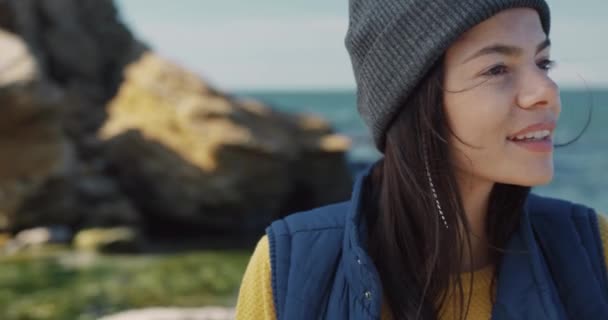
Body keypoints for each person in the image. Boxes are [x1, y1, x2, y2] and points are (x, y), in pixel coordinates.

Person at [235, 0, 608, 319]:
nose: (547, 92)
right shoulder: (289, 267)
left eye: (543, 63)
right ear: (412, 99)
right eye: (497, 69)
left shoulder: (591, 249)